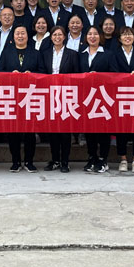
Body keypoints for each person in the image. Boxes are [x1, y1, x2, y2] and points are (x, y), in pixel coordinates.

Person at [0, 25, 46, 172]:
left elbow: (43, 72)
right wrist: (9, 75)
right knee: (13, 131)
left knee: (30, 131)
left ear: (27, 36)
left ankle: (29, 161)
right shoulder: (6, 52)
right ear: (13, 37)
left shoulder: (35, 53)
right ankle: (16, 161)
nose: (20, 36)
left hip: (30, 96)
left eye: (23, 33)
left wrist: (32, 74)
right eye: (17, 33)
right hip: (12, 97)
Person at [108, 27, 134, 172]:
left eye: (130, 34)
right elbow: (112, 72)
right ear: (119, 39)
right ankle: (123, 159)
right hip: (120, 95)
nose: (127, 37)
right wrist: (124, 77)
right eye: (124, 35)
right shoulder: (114, 54)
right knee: (121, 129)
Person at [42, 26, 80, 173]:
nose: (57, 37)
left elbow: (76, 75)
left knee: (65, 130)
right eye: (54, 35)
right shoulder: (45, 54)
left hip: (66, 96)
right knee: (52, 130)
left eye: (60, 35)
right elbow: (41, 73)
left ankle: (65, 161)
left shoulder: (72, 54)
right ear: (51, 37)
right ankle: (55, 160)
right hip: (50, 95)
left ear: (64, 37)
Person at [79, 25, 112, 173]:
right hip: (86, 97)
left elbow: (114, 75)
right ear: (86, 37)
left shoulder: (108, 54)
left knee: (103, 130)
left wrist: (99, 77)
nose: (92, 37)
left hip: (103, 97)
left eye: (96, 34)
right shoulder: (81, 54)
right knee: (89, 129)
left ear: (100, 36)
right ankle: (92, 157)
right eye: (90, 34)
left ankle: (103, 159)